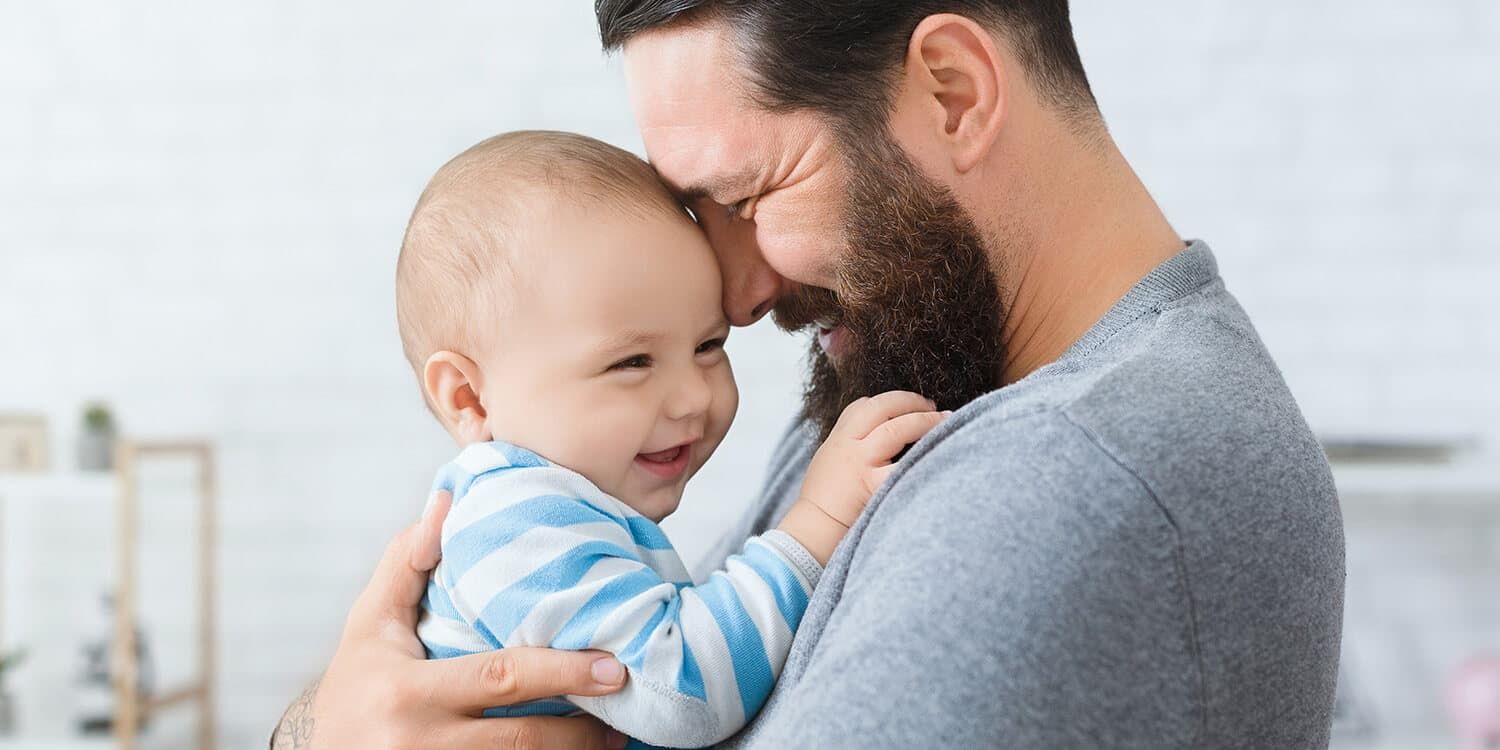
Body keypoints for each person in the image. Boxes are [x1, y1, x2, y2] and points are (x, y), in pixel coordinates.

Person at [273, 2, 1346, 748]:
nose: (735, 298)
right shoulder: (913, 365)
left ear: (953, 91)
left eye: (749, 198)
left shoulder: (1080, 472)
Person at [394, 130, 943, 748]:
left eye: (708, 347)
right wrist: (813, 525)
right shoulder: (513, 525)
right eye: (631, 363)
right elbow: (682, 691)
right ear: (470, 397)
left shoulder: (557, 512)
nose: (693, 398)